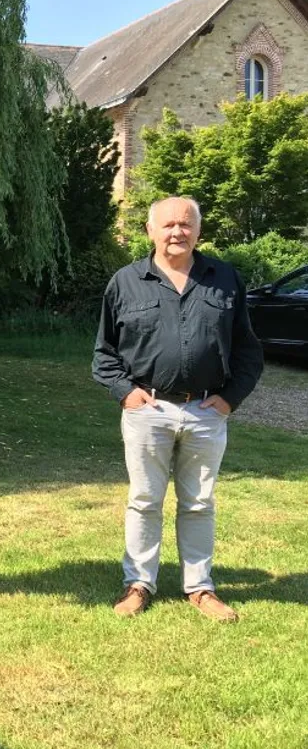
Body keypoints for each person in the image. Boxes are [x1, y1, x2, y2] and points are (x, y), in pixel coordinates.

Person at [94, 196, 263, 622]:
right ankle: (138, 584)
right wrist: (125, 392)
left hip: (207, 410)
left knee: (200, 503)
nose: (177, 232)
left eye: (186, 225)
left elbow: (248, 350)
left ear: (198, 231)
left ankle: (200, 588)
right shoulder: (126, 282)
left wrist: (229, 399)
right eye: (168, 225)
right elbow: (104, 353)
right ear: (150, 231)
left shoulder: (224, 279)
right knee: (144, 500)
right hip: (147, 410)